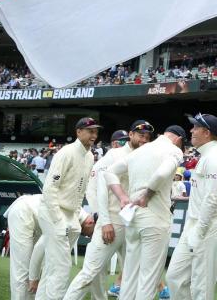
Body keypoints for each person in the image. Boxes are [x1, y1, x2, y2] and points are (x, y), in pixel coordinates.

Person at [62, 121, 153, 300]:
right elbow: (101, 188)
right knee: (90, 272)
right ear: (131, 134)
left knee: (132, 275)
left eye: (147, 137)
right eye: (141, 135)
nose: (144, 139)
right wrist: (104, 222)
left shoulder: (147, 156)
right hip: (113, 220)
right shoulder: (115, 154)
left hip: (135, 222)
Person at [107, 124, 186, 300]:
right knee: (149, 278)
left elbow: (110, 172)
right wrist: (147, 195)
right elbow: (161, 174)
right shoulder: (174, 150)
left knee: (129, 275)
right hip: (154, 219)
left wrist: (122, 197)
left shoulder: (139, 151)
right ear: (179, 140)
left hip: (134, 218)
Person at [166, 114, 217, 300]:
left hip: (210, 227)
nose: (191, 131)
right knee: (174, 277)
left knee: (201, 288)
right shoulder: (207, 155)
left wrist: (200, 231)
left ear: (206, 133)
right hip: (195, 224)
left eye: (195, 128)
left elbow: (211, 199)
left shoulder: (214, 157)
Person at [36, 118, 99, 300]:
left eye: (96, 132)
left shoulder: (89, 156)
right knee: (62, 267)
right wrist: (57, 219)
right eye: (90, 131)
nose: (94, 135)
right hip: (53, 212)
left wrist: (75, 217)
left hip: (71, 215)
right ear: (78, 132)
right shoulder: (66, 153)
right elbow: (49, 188)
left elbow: (80, 189)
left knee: (51, 267)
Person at [8, 194, 95, 300]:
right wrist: (34, 278)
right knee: (22, 270)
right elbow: (40, 247)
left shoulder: (76, 219)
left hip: (37, 219)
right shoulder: (72, 224)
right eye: (91, 234)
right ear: (91, 222)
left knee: (34, 273)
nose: (88, 236)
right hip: (22, 211)